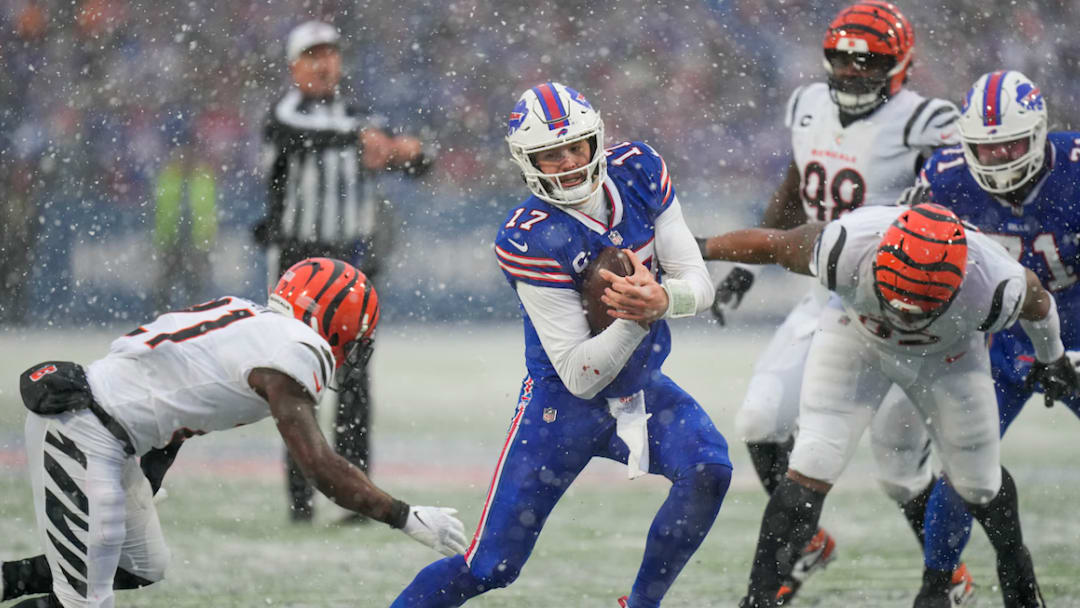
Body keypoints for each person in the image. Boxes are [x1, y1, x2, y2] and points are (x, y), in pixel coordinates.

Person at [391, 82, 731, 608]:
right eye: (551, 154)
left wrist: (661, 299)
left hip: (639, 388)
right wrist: (635, 317)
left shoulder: (639, 170)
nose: (569, 162)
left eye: (575, 147)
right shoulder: (529, 235)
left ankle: (641, 605)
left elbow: (698, 282)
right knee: (491, 567)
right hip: (560, 409)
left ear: (596, 140)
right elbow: (577, 373)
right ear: (528, 162)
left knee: (709, 467)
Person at [697, 2, 972, 602]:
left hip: (908, 303)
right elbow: (798, 182)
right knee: (760, 420)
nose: (851, 70)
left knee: (899, 466)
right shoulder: (807, 104)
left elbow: (960, 211)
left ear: (900, 65)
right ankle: (808, 541)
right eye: (841, 57)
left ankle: (946, 570)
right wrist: (746, 267)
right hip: (831, 291)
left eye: (867, 59)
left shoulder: (928, 121)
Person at [0, 257, 466, 608]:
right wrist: (403, 515)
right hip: (84, 430)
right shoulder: (296, 348)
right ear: (337, 321)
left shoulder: (251, 319)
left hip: (110, 434)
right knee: (85, 600)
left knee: (141, 565)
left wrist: (147, 477)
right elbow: (318, 466)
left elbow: (173, 405)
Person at [700, 202, 1077, 608]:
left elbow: (1038, 301)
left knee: (978, 481)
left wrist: (1051, 357)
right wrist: (695, 246)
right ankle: (758, 601)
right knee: (813, 460)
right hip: (858, 337)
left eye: (919, 305)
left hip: (947, 357)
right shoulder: (846, 246)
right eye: (896, 298)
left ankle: (1014, 577)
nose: (904, 314)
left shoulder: (995, 283)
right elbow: (774, 245)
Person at [886, 70, 1080, 607]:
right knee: (964, 460)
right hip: (1000, 332)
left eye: (1011, 146)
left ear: (1040, 134)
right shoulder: (945, 179)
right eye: (984, 149)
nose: (997, 160)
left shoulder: (1076, 170)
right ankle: (937, 584)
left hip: (1077, 317)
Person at [253, 19, 431, 523]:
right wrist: (376, 141)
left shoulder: (359, 118)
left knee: (354, 381)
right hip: (297, 266)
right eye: (312, 55)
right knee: (294, 381)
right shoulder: (286, 115)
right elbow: (306, 134)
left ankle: (356, 497)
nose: (324, 63)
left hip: (350, 268)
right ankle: (302, 498)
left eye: (330, 53)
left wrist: (411, 151)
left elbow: (420, 162)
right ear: (294, 67)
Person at [151, 127, 218, 314]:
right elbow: (163, 211)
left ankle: (194, 320)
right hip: (172, 241)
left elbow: (207, 211)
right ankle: (163, 319)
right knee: (164, 287)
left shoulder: (203, 177)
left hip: (195, 242)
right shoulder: (169, 177)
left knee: (195, 287)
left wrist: (206, 238)